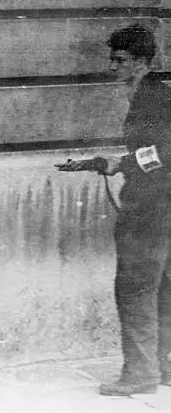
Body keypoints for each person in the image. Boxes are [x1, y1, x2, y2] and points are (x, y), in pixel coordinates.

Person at [95, 24, 171, 396]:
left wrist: (122, 164)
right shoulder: (157, 93)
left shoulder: (151, 98)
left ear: (141, 62)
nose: (113, 67)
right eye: (112, 59)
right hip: (164, 205)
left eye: (121, 60)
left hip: (150, 206)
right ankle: (162, 367)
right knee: (163, 286)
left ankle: (141, 373)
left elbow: (165, 153)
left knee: (136, 286)